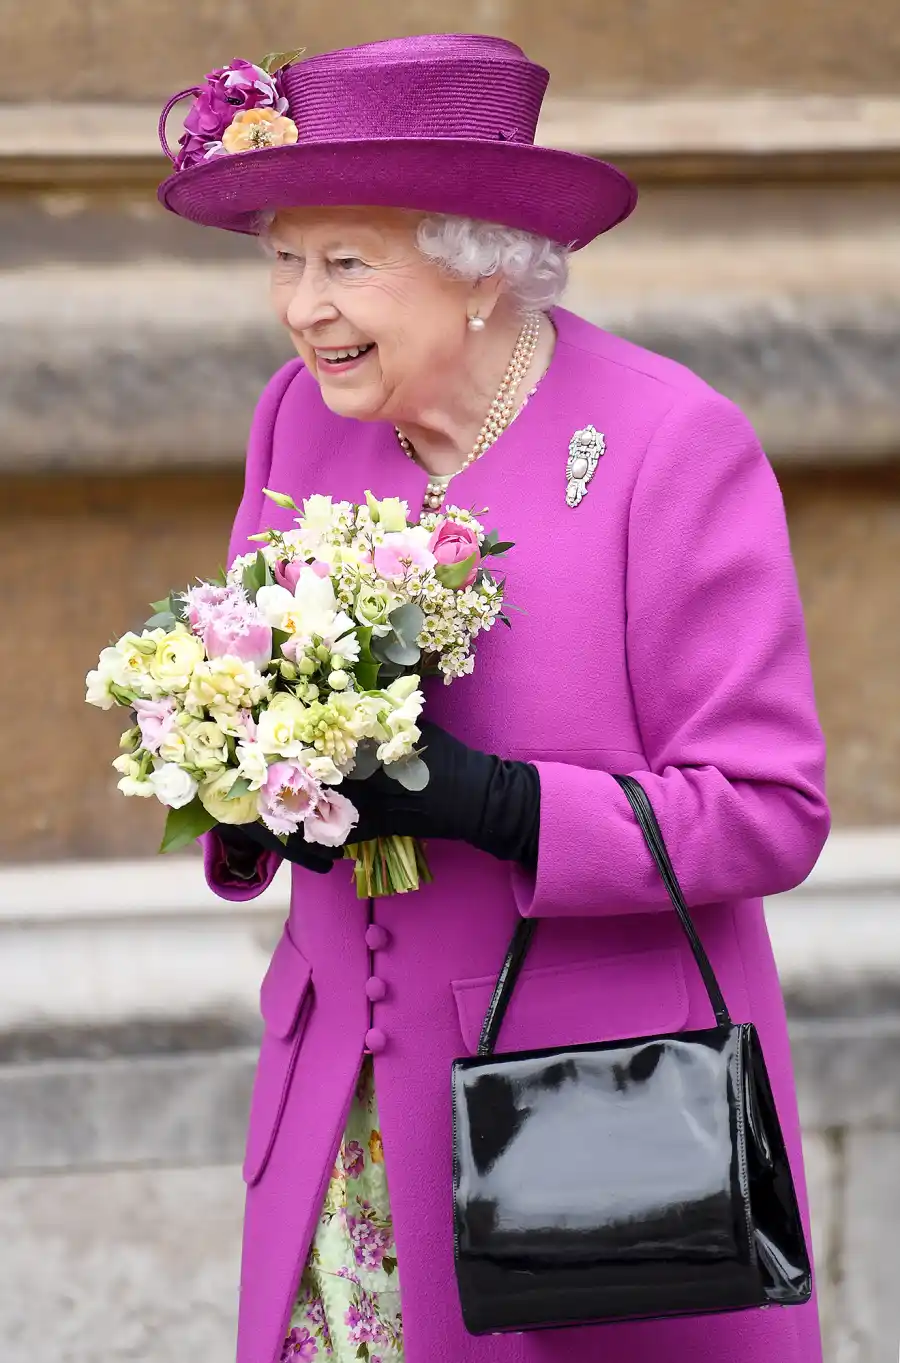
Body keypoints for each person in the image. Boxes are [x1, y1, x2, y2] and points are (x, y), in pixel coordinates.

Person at [157, 32, 830, 1363]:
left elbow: (771, 809)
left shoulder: (667, 446)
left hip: (586, 1135)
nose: (304, 306)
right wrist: (251, 793)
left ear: (479, 266)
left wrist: (498, 803)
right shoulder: (300, 416)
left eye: (347, 262)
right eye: (284, 258)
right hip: (341, 1120)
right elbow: (257, 680)